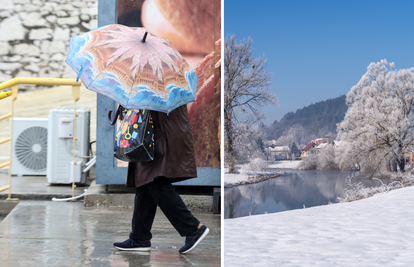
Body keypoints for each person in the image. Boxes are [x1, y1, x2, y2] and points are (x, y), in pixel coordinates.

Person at [113, 104, 209, 254]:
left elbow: (155, 102)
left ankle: (192, 228)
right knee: (145, 182)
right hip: (153, 131)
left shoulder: (161, 83)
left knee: (155, 181)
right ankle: (140, 238)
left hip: (159, 133)